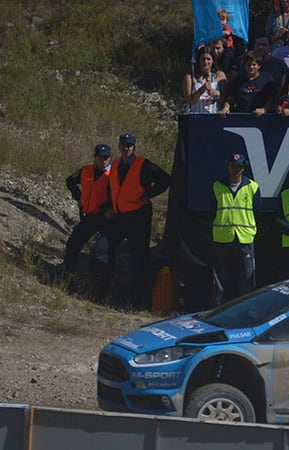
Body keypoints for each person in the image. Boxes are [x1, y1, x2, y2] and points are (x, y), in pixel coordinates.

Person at [107, 133, 171, 311]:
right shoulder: (116, 165)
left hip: (138, 216)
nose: (126, 148)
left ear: (134, 147)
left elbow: (165, 179)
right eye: (124, 145)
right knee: (104, 249)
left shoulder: (144, 165)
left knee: (140, 258)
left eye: (130, 145)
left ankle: (138, 302)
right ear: (119, 147)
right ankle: (104, 292)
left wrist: (147, 195)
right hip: (120, 216)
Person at [63, 144, 112, 301]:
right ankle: (67, 282)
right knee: (72, 244)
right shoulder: (86, 171)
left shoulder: (113, 175)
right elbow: (70, 181)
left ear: (109, 158)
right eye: (99, 157)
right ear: (95, 157)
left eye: (105, 158)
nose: (102, 161)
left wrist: (110, 209)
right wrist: (79, 198)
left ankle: (99, 293)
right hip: (90, 216)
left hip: (106, 218)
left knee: (101, 252)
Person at [212, 153, 261, 305]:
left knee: (246, 278)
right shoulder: (217, 186)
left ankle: (247, 310)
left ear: (243, 168)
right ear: (228, 166)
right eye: (233, 166)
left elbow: (257, 212)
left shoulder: (253, 187)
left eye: (238, 167)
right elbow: (212, 210)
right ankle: (217, 308)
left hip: (244, 238)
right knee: (219, 278)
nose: (235, 170)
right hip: (222, 237)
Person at [220, 51, 277, 117]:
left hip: (261, 117)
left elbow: (271, 99)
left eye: (254, 65)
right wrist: (225, 108)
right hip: (241, 116)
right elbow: (230, 98)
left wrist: (264, 109)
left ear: (259, 66)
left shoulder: (267, 79)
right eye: (249, 64)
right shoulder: (238, 80)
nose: (251, 67)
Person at [183, 46, 227, 114]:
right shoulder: (190, 77)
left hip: (213, 115)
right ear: (199, 61)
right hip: (196, 115)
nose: (205, 62)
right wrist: (201, 90)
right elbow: (189, 101)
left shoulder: (220, 76)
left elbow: (224, 99)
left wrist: (216, 94)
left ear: (213, 60)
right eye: (203, 59)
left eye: (208, 59)